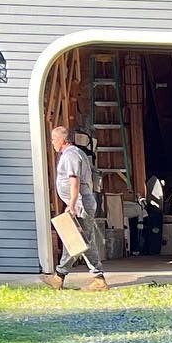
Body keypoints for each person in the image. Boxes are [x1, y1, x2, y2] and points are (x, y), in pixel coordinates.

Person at [45, 124, 108, 291]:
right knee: (79, 240)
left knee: (79, 241)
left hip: (80, 204)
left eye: (53, 139)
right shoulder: (73, 153)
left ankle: (64, 276)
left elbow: (74, 180)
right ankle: (65, 277)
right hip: (79, 202)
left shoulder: (71, 155)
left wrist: (72, 204)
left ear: (62, 139)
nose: (52, 143)